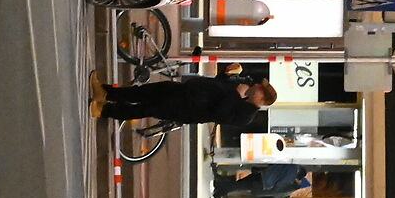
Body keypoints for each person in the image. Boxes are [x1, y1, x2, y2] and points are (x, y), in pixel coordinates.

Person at [91, 73, 275, 137]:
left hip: (187, 108)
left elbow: (220, 113)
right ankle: (107, 92)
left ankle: (104, 110)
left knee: (145, 107)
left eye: (261, 89)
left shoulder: (246, 114)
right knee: (145, 91)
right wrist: (227, 76)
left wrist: (235, 95)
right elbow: (219, 85)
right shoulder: (242, 90)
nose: (257, 85)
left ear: (261, 99)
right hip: (187, 91)